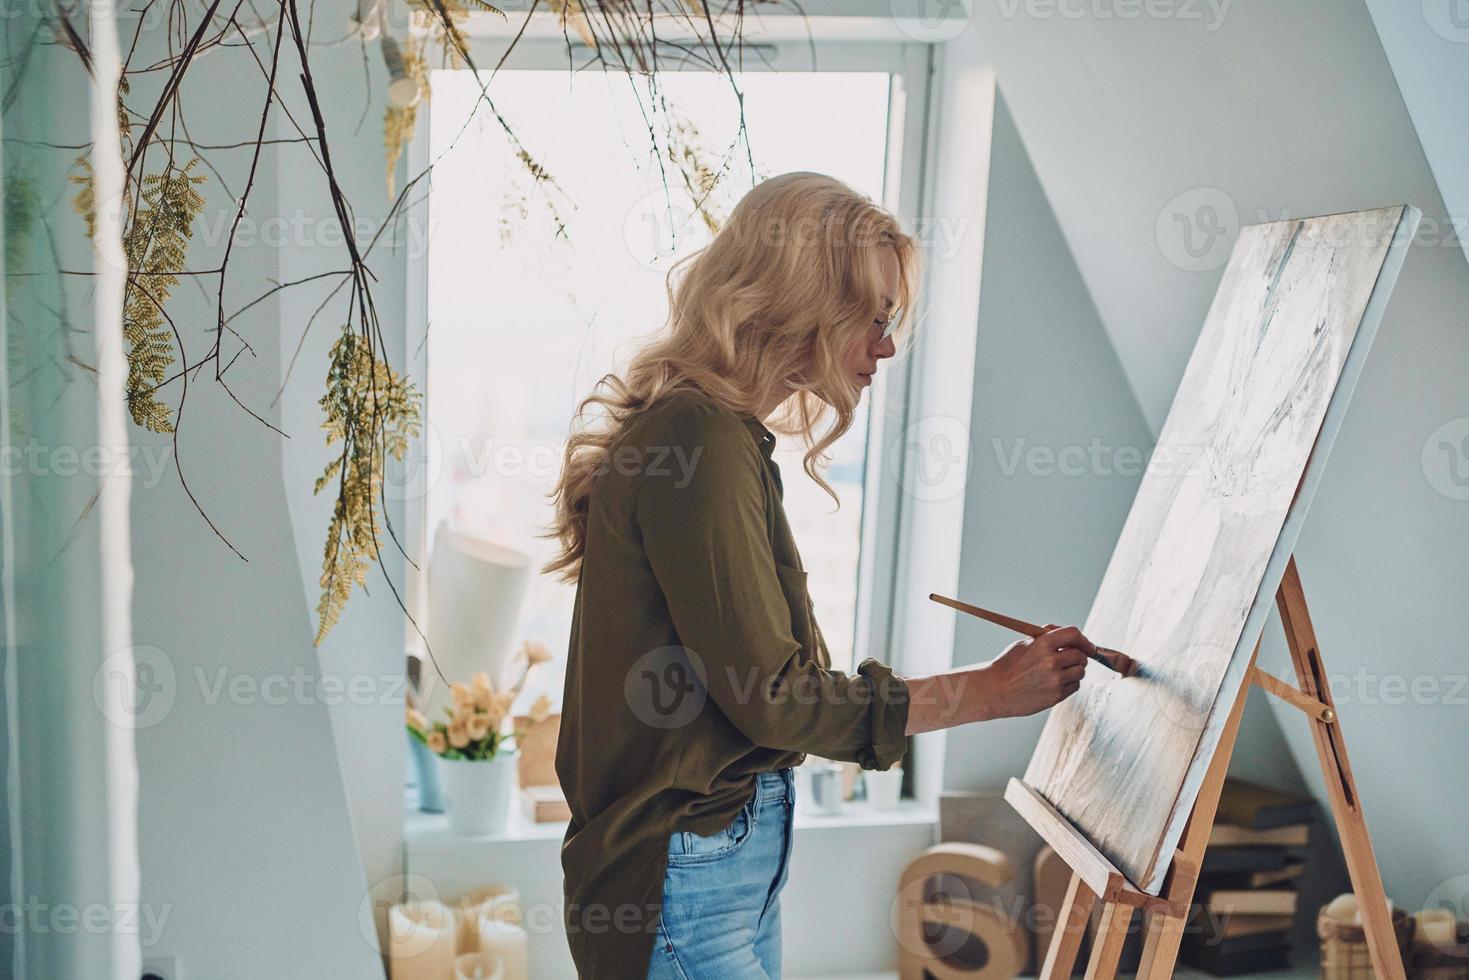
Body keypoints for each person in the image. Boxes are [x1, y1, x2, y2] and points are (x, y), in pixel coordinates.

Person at [543, 172, 1097, 979]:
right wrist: (980, 694)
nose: (886, 346)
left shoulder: (713, 432)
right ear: (799, 304)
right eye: (872, 319)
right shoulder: (698, 438)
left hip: (719, 862)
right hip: (685, 870)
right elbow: (771, 696)